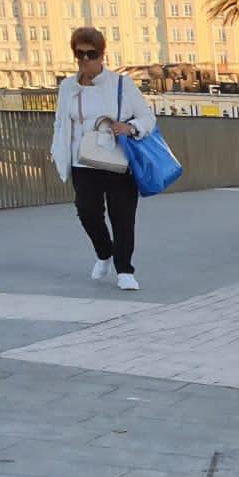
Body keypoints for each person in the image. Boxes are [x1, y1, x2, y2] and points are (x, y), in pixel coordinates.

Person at [49, 27, 157, 292]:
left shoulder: (121, 84)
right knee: (87, 212)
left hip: (119, 161)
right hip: (83, 161)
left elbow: (147, 118)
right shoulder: (68, 87)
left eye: (91, 54)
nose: (85, 60)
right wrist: (57, 151)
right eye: (79, 54)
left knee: (122, 217)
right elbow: (62, 123)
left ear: (102, 55)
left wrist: (130, 128)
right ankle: (104, 252)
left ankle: (124, 270)